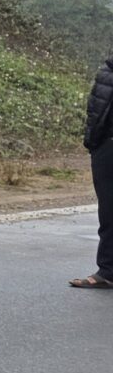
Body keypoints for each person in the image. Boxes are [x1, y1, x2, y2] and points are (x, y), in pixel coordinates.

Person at [77, 47, 113, 292]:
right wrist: (94, 144)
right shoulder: (106, 72)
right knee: (108, 212)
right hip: (106, 147)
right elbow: (95, 110)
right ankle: (107, 272)